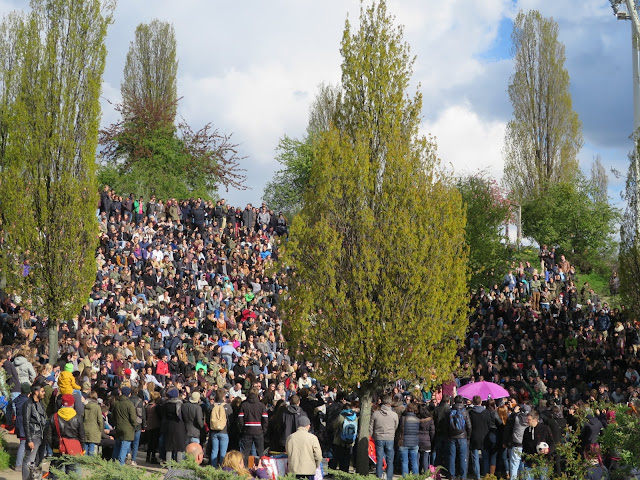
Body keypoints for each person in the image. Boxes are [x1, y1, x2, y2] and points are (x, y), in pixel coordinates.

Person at [45, 394, 85, 478]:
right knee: (72, 472)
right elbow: (82, 436)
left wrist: (54, 446)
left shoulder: (54, 417)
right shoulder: (78, 418)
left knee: (55, 472)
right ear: (73, 404)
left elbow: (48, 436)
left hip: (58, 448)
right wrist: (82, 448)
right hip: (73, 449)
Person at [21, 382, 47, 480]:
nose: (44, 393)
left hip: (41, 435)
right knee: (29, 460)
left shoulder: (40, 403)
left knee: (39, 460)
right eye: (42, 391)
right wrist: (29, 439)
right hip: (33, 435)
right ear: (36, 392)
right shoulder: (28, 405)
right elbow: (26, 423)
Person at [370, 395, 399, 480]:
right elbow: (396, 426)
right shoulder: (394, 415)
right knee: (390, 461)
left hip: (378, 437)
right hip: (390, 437)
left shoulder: (376, 414)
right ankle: (389, 478)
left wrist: (372, 436)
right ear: (390, 403)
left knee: (379, 459)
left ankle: (379, 477)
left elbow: (371, 427)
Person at [521, 410, 555, 480]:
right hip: (529, 462)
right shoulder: (527, 430)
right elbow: (524, 444)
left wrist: (548, 450)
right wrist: (523, 457)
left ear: (535, 420)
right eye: (527, 419)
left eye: (529, 419)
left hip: (542, 461)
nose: (527, 421)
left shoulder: (545, 429)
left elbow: (552, 443)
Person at [286, 416, 322, 480]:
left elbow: (288, 452)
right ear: (307, 425)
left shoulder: (290, 437)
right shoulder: (313, 438)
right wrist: (315, 465)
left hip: (294, 470)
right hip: (309, 470)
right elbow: (318, 455)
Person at [238, 387, 268, 461]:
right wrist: (263, 430)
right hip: (259, 431)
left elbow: (240, 419)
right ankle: (262, 468)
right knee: (260, 452)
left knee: (245, 453)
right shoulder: (261, 405)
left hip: (247, 431)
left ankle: (245, 469)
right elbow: (265, 420)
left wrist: (243, 429)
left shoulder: (244, 405)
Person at [111, 386, 137, 464]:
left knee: (117, 446)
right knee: (124, 447)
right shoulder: (129, 404)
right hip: (128, 429)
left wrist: (116, 423)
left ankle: (113, 462)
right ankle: (120, 465)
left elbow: (113, 416)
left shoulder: (116, 403)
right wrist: (134, 425)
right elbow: (133, 418)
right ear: (129, 394)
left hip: (118, 427)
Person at [448, 395, 472, 480]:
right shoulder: (465, 412)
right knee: (463, 457)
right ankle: (463, 476)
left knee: (452, 456)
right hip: (462, 436)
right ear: (462, 402)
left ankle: (452, 475)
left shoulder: (451, 411)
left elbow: (447, 425)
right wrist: (468, 436)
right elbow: (469, 426)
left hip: (452, 436)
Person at [468, 396, 491, 480]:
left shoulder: (471, 413)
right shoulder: (486, 412)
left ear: (473, 402)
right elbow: (489, 424)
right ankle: (485, 474)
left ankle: (477, 475)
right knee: (485, 456)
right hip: (485, 436)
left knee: (475, 457)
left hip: (474, 436)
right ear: (481, 402)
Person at [330, 401, 358, 472]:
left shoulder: (341, 416)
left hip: (339, 440)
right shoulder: (355, 417)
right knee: (347, 457)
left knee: (336, 456)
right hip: (350, 441)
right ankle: (345, 472)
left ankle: (333, 472)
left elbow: (335, 426)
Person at [209, 388, 233, 467]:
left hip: (214, 431)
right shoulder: (227, 407)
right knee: (223, 452)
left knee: (214, 451)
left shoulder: (212, 406)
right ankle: (222, 469)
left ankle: (213, 468)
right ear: (223, 397)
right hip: (224, 431)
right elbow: (230, 420)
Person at [397, 402, 420, 476]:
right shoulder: (417, 420)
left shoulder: (403, 418)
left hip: (404, 442)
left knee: (404, 462)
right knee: (414, 462)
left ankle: (405, 477)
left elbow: (399, 429)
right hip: (414, 442)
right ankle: (416, 477)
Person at [13, 383, 31, 472]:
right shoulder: (27, 402)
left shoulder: (17, 399)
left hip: (19, 424)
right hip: (24, 425)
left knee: (22, 442)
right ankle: (18, 465)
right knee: (23, 444)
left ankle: (21, 463)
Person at [83, 391, 104, 456]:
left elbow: (82, 416)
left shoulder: (85, 406)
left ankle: (83, 461)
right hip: (94, 428)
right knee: (92, 446)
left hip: (85, 427)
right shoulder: (97, 407)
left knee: (85, 445)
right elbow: (100, 419)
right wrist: (101, 428)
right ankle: (90, 462)